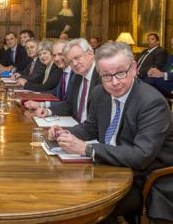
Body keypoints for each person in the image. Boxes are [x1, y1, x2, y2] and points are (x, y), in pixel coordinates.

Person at [48, 42, 173, 224]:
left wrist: (88, 149)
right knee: (60, 189)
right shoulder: (100, 93)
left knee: (83, 203)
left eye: (120, 73)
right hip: (109, 167)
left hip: (142, 179)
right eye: (106, 76)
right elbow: (91, 127)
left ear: (134, 68)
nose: (114, 82)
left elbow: (141, 156)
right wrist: (64, 132)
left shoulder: (152, 103)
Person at [34, 38, 101, 123]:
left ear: (90, 54)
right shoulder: (78, 76)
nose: (75, 64)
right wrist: (48, 111)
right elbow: (70, 105)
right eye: (70, 61)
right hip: (77, 127)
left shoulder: (102, 77)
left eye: (77, 58)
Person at [25, 39, 76, 110]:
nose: (57, 58)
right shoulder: (62, 71)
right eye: (54, 55)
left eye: (60, 54)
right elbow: (55, 92)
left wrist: (41, 104)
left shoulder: (73, 73)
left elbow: (46, 87)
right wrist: (30, 96)